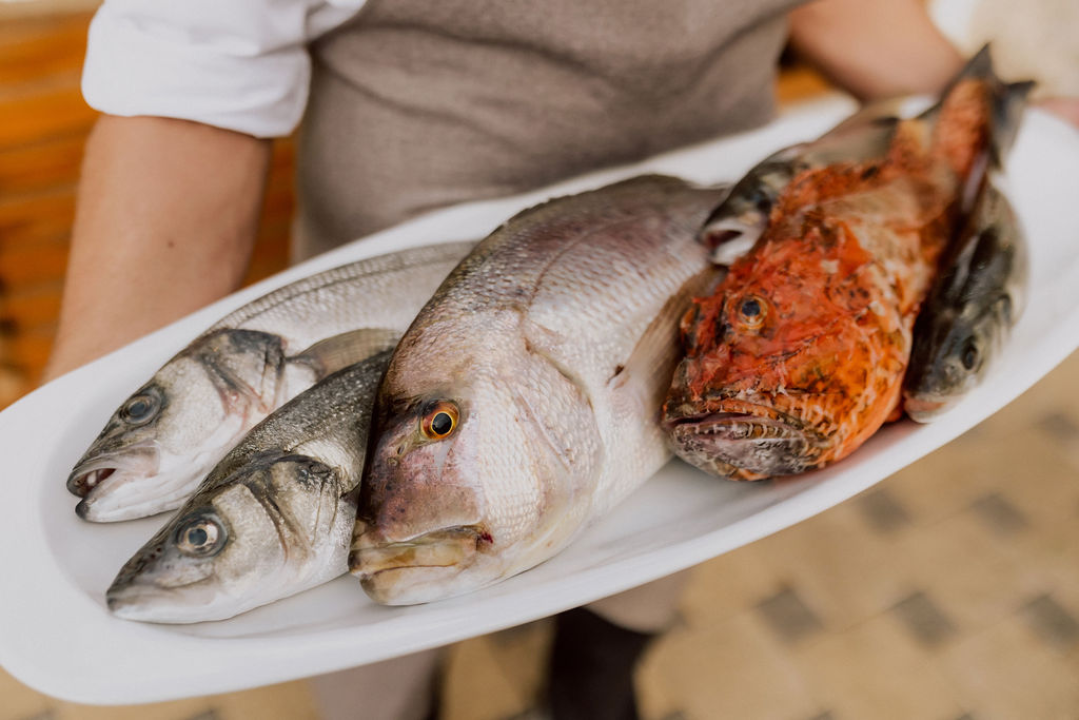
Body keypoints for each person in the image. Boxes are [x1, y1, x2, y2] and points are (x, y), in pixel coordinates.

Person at [41, 1, 1076, 718]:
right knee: (364, 618)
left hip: (709, 249)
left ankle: (596, 691)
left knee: (665, 531)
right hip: (406, 289)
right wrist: (91, 417)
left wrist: (985, 125)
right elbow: (194, 77)